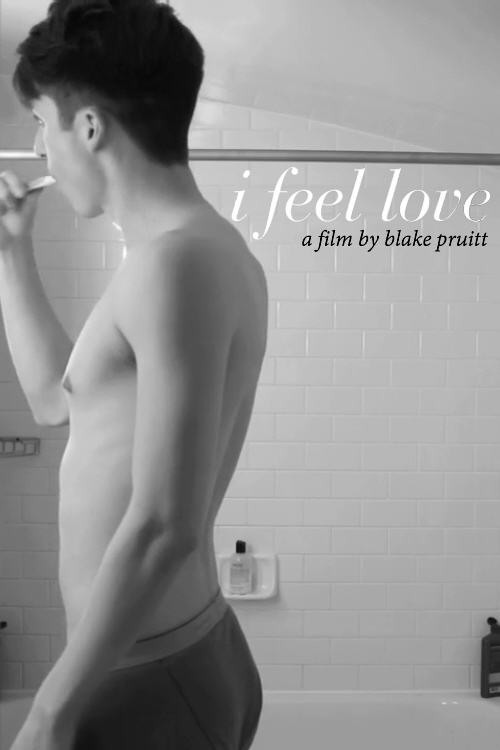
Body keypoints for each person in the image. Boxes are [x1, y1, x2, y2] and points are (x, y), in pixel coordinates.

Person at [0, 0, 267, 747]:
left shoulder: (174, 265)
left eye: (42, 124)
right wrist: (12, 252)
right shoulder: (194, 253)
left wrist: (50, 710)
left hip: (149, 671)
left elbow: (163, 524)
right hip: (162, 657)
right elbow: (55, 401)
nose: (39, 150)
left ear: (89, 128)